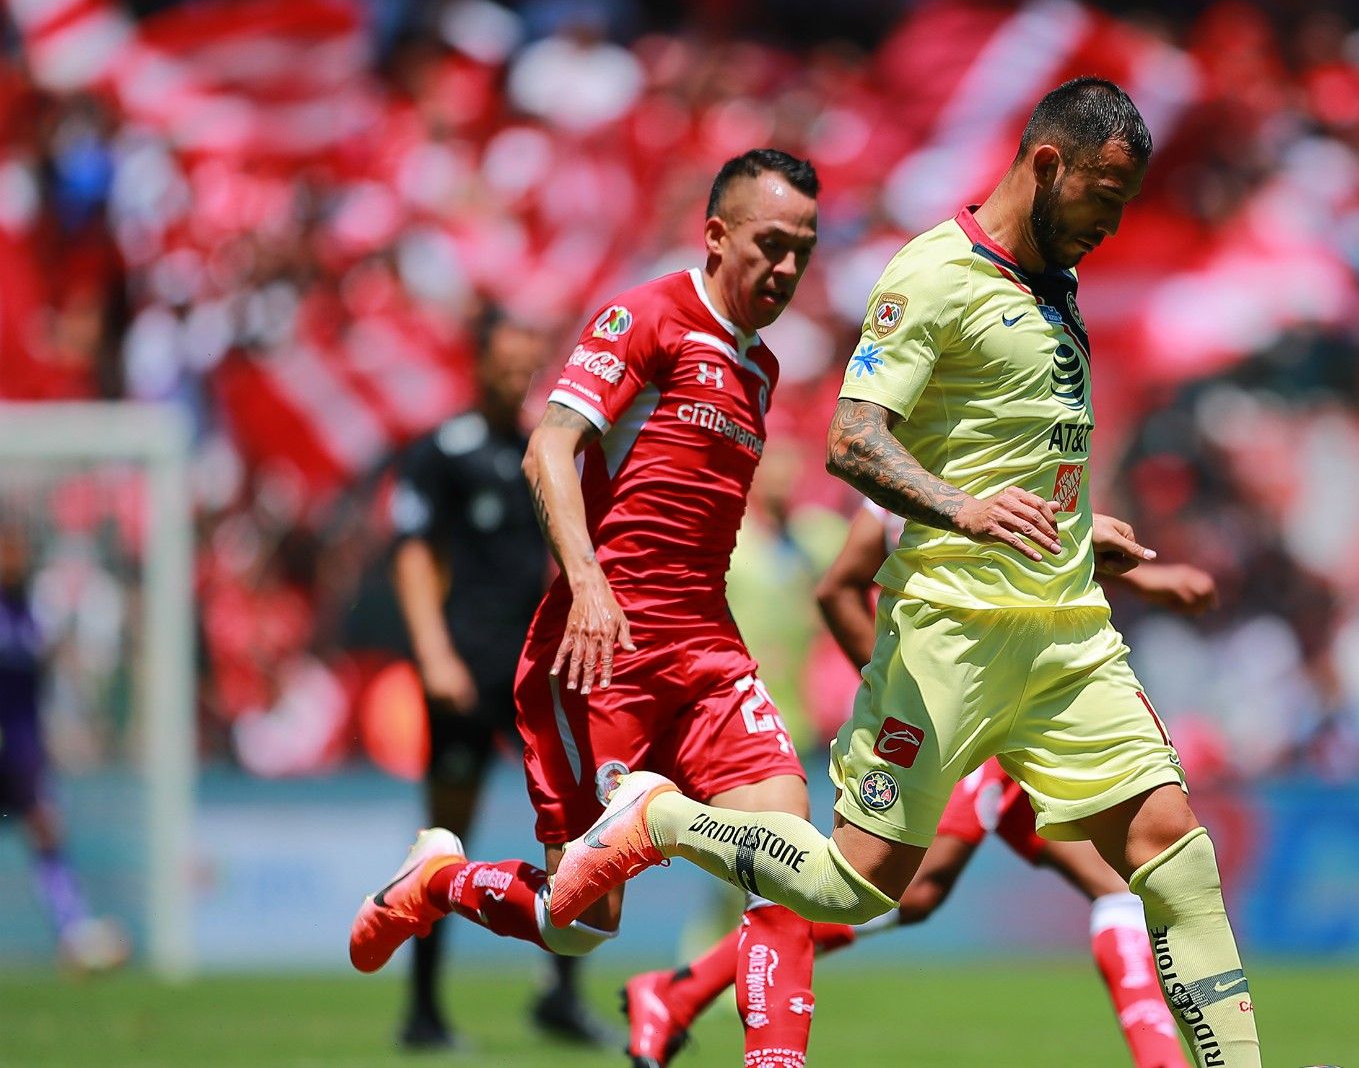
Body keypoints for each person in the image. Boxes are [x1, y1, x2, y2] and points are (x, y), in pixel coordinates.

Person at [545, 77, 1264, 1068]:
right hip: (951, 637)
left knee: (1175, 853)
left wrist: (1084, 536)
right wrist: (963, 510)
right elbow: (852, 439)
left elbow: (1007, 453)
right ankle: (658, 818)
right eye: (1104, 196)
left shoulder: (1055, 283)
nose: (1112, 222)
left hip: (1066, 637)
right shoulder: (933, 275)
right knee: (859, 886)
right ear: (1046, 163)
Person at [351, 148, 828, 1068]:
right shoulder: (645, 315)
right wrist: (590, 580)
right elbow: (549, 447)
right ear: (717, 233)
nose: (787, 267)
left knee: (787, 858)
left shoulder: (761, 369)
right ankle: (440, 877)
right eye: (771, 244)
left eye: (802, 251)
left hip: (707, 653)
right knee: (579, 922)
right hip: (602, 651)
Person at [621, 502, 1217, 1066]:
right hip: (954, 710)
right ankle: (678, 978)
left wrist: (1145, 581)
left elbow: (1032, 552)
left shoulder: (997, 458)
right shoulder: (908, 480)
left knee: (1114, 885)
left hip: (1026, 709)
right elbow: (838, 588)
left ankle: (678, 992)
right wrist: (902, 696)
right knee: (897, 886)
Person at [386, 312, 606, 1048]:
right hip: (466, 671)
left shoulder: (540, 449)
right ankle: (422, 1011)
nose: (519, 378)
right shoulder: (441, 452)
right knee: (445, 836)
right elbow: (413, 555)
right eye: (507, 364)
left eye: (527, 365)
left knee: (577, 827)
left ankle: (561, 995)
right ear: (478, 363)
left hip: (535, 672)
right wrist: (434, 654)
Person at [0, 520, 128, 973]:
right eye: (6, 550)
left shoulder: (28, 610)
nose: (13, 559)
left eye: (16, 550)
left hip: (23, 750)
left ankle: (73, 932)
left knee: (47, 830)